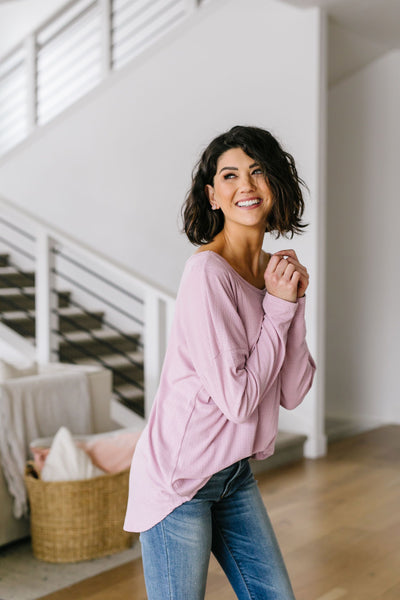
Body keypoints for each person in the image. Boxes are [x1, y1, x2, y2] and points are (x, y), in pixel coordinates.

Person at [124, 125, 316, 599]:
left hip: (233, 473)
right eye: (229, 176)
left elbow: (291, 391)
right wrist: (278, 307)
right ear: (213, 196)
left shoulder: (272, 275)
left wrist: (292, 302)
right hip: (181, 480)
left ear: (275, 184)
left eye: (257, 172)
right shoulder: (207, 274)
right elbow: (239, 400)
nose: (245, 186)